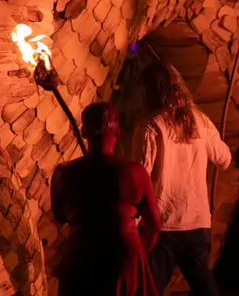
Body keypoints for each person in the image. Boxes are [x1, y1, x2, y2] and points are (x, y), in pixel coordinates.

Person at [131, 62, 231, 296]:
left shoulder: (149, 126)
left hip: (162, 226)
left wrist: (132, 226)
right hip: (197, 223)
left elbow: (139, 178)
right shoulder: (199, 120)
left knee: (149, 290)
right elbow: (224, 159)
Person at [51, 102, 161, 296]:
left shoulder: (64, 174)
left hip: (81, 259)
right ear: (117, 131)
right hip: (123, 259)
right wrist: (137, 258)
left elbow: (60, 215)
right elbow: (154, 225)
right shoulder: (135, 173)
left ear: (84, 131)